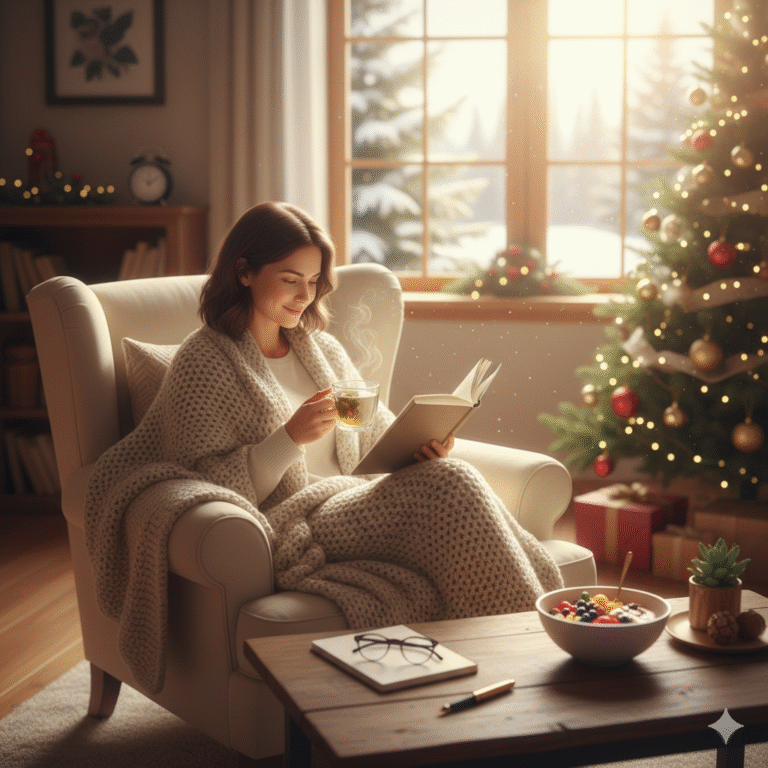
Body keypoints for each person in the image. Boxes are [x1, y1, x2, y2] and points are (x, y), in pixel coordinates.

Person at [85, 201, 563, 695]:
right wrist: (289, 438)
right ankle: (534, 650)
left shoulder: (324, 351)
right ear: (244, 272)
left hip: (359, 500)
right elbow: (207, 482)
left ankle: (517, 648)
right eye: (290, 279)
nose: (304, 296)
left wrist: (423, 444)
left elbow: (376, 435)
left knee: (450, 475)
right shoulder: (204, 360)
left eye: (313, 282)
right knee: (454, 483)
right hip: (296, 519)